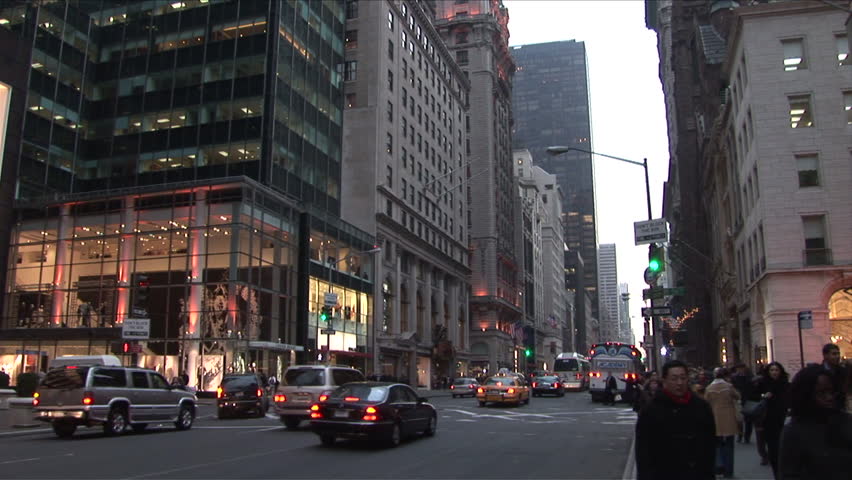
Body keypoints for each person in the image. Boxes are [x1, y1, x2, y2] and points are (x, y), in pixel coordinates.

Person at [635, 360, 716, 480]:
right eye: (674, 378)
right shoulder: (651, 410)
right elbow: (643, 451)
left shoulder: (701, 407)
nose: (679, 383)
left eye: (683, 378)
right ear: (664, 380)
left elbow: (710, 445)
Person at [778, 365, 852, 480]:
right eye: (822, 393)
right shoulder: (794, 432)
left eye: (831, 392)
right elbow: (789, 473)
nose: (829, 397)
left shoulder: (846, 421)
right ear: (806, 395)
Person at [754, 361, 790, 477]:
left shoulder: (786, 385)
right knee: (773, 449)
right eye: (772, 370)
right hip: (768, 421)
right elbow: (753, 398)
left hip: (784, 420)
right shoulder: (763, 384)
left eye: (776, 370)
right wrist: (763, 396)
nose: (774, 372)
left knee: (784, 450)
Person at [704, 367, 741, 478]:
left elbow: (706, 402)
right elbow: (738, 396)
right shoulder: (728, 387)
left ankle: (719, 467)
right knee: (729, 445)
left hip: (715, 419)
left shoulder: (709, 388)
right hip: (729, 419)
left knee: (717, 445)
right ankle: (729, 470)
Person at [730, 363, 754, 443]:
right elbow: (732, 387)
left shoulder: (749, 377)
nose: (740, 370)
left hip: (748, 399)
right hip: (738, 400)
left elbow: (752, 387)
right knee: (739, 419)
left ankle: (747, 436)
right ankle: (740, 435)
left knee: (748, 420)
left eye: (741, 368)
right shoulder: (734, 377)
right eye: (738, 369)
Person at [820, 343, 848, 411]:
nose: (838, 356)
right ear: (825, 355)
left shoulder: (843, 371)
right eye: (834, 354)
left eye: (838, 354)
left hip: (839, 408)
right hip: (824, 409)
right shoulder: (819, 371)